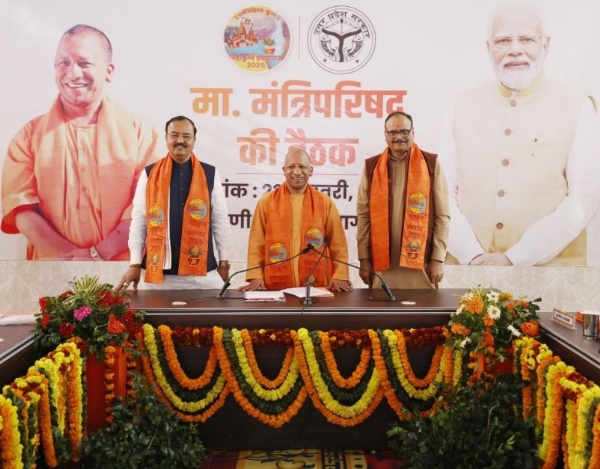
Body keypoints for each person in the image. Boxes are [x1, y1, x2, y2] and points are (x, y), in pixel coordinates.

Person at [438, 2, 600, 266]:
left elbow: (584, 198)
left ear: (545, 46)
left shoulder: (578, 106)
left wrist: (516, 258)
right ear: (489, 48)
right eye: (503, 41)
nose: (515, 50)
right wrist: (473, 256)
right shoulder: (461, 106)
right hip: (469, 274)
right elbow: (443, 194)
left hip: (550, 279)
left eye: (527, 39)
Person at [1, 24, 161, 260]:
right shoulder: (29, 136)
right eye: (63, 63)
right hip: (52, 270)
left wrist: (98, 254)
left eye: (84, 63)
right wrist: (70, 259)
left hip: (124, 271)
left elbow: (151, 206)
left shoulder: (141, 136)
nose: (73, 74)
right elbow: (21, 208)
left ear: (109, 71)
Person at [116, 115, 231, 290]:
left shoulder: (210, 174)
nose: (180, 141)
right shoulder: (149, 174)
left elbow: (220, 220)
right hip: (158, 276)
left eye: (186, 136)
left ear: (194, 140)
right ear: (166, 138)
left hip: (202, 276)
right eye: (174, 135)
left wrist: (224, 262)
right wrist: (135, 264)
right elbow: (139, 221)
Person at [356, 111, 450, 289]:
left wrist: (437, 258)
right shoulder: (372, 166)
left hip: (421, 262)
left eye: (404, 132)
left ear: (413, 132)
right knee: (382, 315)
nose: (399, 137)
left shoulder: (431, 164)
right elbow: (363, 215)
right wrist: (364, 259)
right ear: (385, 135)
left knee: (422, 314)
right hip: (382, 264)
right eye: (392, 132)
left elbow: (442, 216)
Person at [240, 147, 353, 292]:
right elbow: (257, 244)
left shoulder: (324, 202)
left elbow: (338, 244)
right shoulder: (266, 202)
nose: (297, 172)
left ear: (311, 170)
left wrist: (340, 275)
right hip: (275, 289)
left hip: (316, 288)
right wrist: (255, 275)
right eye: (291, 167)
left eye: (302, 167)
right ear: (284, 170)